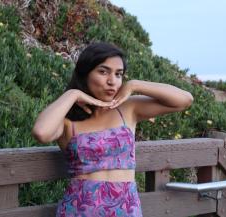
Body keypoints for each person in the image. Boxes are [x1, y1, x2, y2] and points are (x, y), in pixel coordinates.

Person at [32, 42, 193, 216]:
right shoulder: (67, 121)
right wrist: (73, 94)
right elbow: (41, 132)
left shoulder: (127, 109)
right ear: (85, 73)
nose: (112, 81)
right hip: (81, 210)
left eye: (118, 74)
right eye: (103, 71)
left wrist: (134, 85)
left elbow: (184, 100)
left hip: (125, 209)